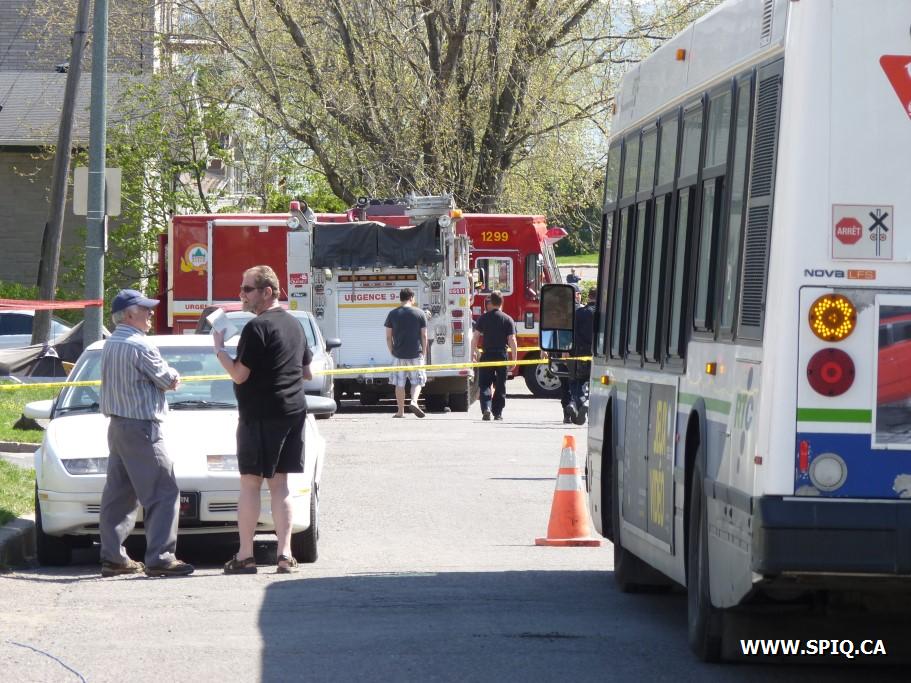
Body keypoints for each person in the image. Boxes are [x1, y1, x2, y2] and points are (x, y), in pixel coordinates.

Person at [214, 265, 313, 574]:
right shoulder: (295, 325)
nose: (241, 295)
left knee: (250, 484)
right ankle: (285, 555)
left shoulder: (256, 328)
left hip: (259, 413)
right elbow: (307, 372)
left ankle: (245, 555)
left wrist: (219, 351)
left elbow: (240, 375)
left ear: (267, 292)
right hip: (293, 411)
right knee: (280, 483)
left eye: (247, 289)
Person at [99, 289, 194, 578]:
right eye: (145, 309)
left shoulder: (110, 344)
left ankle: (113, 558)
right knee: (163, 491)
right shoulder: (140, 346)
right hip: (142, 427)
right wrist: (175, 374)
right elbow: (167, 380)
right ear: (129, 315)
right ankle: (161, 558)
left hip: (117, 426)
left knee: (119, 495)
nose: (151, 314)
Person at [472, 291, 518, 421]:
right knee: (500, 385)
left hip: (487, 355)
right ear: (501, 302)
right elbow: (512, 340)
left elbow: (475, 337)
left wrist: (474, 352)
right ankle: (498, 413)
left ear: (491, 302)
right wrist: (514, 359)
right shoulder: (508, 319)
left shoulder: (483, 318)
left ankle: (486, 407)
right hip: (501, 355)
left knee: (485, 384)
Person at [384, 287, 428, 418]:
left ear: (400, 298)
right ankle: (414, 401)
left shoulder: (393, 314)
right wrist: (424, 352)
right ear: (411, 298)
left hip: (398, 354)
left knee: (399, 383)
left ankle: (400, 411)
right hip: (416, 353)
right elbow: (424, 335)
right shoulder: (420, 313)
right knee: (417, 381)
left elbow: (388, 336)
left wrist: (392, 350)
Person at [569, 288, 597, 425]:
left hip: (579, 353)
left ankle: (577, 402)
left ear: (588, 297)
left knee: (579, 381)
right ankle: (588, 402)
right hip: (598, 353)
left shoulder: (579, 312)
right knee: (596, 382)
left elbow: (571, 333)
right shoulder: (603, 314)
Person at [560, 287, 584, 424]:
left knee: (565, 385)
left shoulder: (562, 312)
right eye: (579, 294)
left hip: (565, 353)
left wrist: (564, 349)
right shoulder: (584, 311)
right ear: (576, 295)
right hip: (581, 354)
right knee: (579, 383)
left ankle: (567, 414)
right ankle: (576, 406)